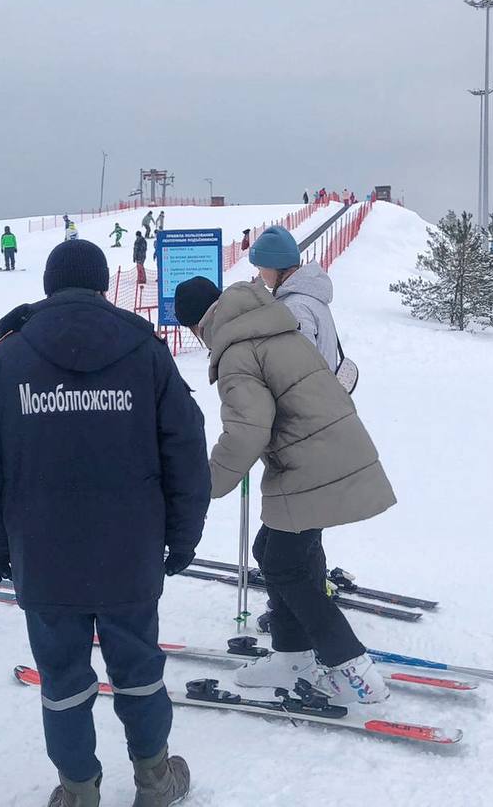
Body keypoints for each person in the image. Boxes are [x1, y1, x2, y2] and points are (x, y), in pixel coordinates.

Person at [0, 239, 210, 807]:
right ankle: (154, 779)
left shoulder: (7, 357)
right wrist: (183, 534)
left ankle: (78, 791)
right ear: (103, 286)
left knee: (62, 676)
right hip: (130, 547)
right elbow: (186, 450)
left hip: (44, 552)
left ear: (48, 287)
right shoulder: (146, 351)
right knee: (139, 667)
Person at [171, 275, 396, 704]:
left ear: (196, 327)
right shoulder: (267, 322)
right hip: (324, 451)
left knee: (285, 564)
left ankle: (353, 671)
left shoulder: (236, 350)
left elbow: (247, 431)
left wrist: (203, 487)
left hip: (311, 461)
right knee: (273, 550)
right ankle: (292, 653)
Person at [249, 226, 338, 370]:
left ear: (275, 266)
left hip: (311, 392)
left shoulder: (295, 307)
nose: (259, 275)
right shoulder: (309, 294)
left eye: (260, 268)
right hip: (321, 389)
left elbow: (302, 368)